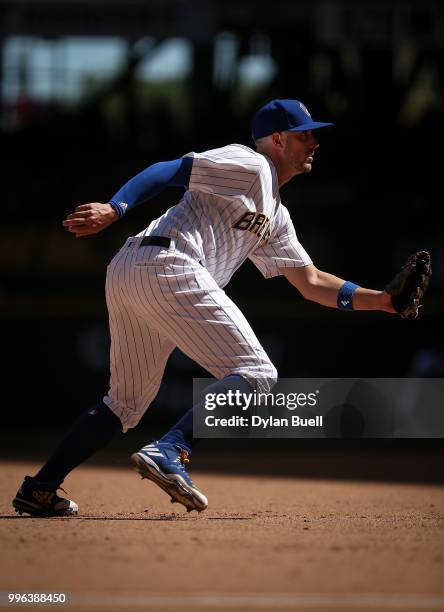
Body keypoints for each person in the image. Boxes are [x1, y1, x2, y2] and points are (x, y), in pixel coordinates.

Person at [12, 98, 396, 517]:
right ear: (278, 139)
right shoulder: (251, 164)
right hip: (168, 263)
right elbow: (171, 170)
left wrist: (381, 301)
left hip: (131, 270)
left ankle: (41, 488)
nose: (314, 142)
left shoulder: (277, 214)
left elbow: (311, 282)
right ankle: (172, 449)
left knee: (124, 404)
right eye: (305, 134)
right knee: (257, 372)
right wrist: (115, 206)